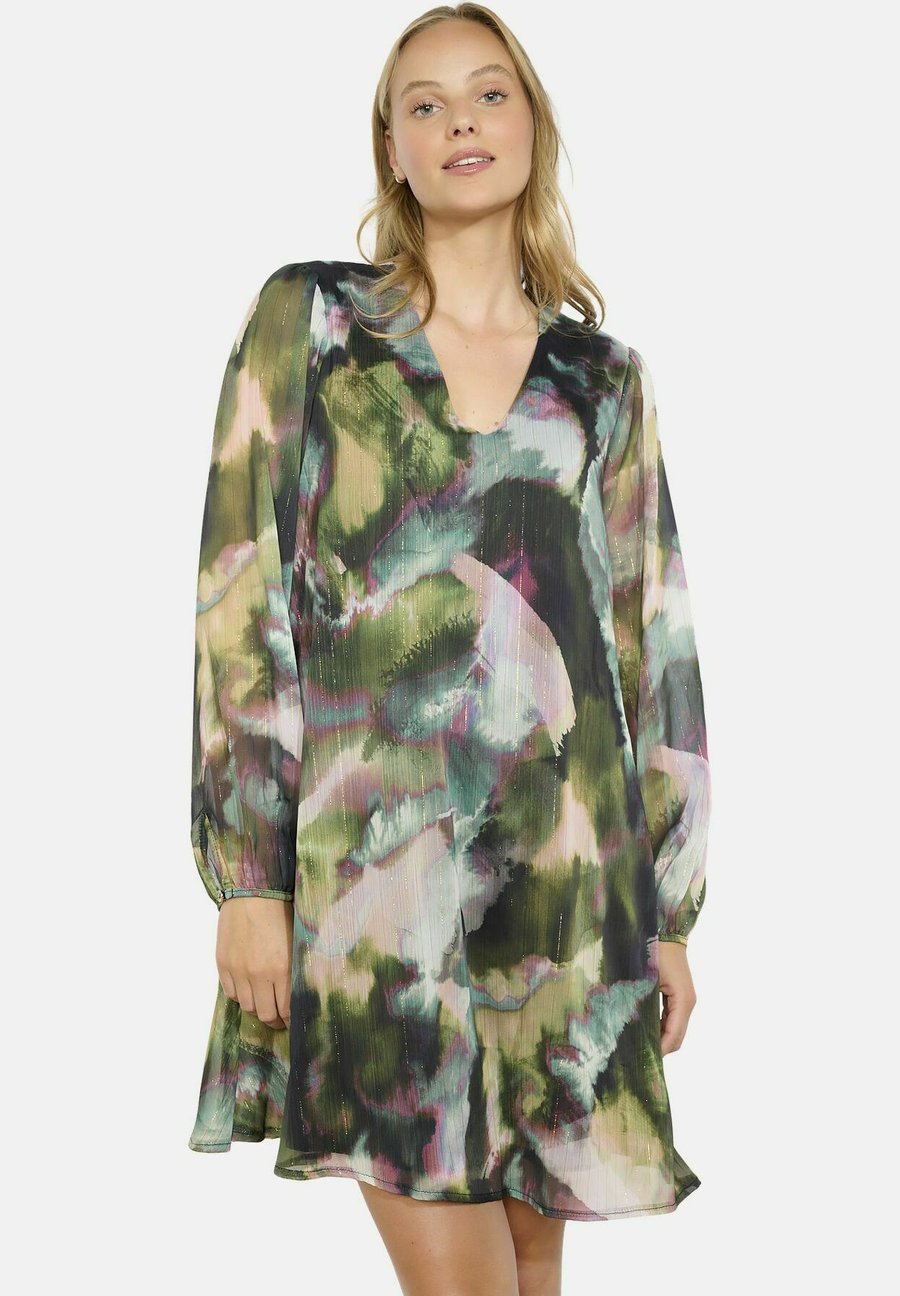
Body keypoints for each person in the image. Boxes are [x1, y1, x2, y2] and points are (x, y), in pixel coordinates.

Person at [187, 5, 711, 1294]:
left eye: (488, 94)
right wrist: (248, 878)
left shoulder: (602, 380)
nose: (459, 121)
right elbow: (239, 597)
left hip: (566, 887)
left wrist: (669, 909)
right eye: (424, 104)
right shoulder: (313, 324)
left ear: (533, 126)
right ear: (393, 147)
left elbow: (653, 644)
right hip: (375, 882)